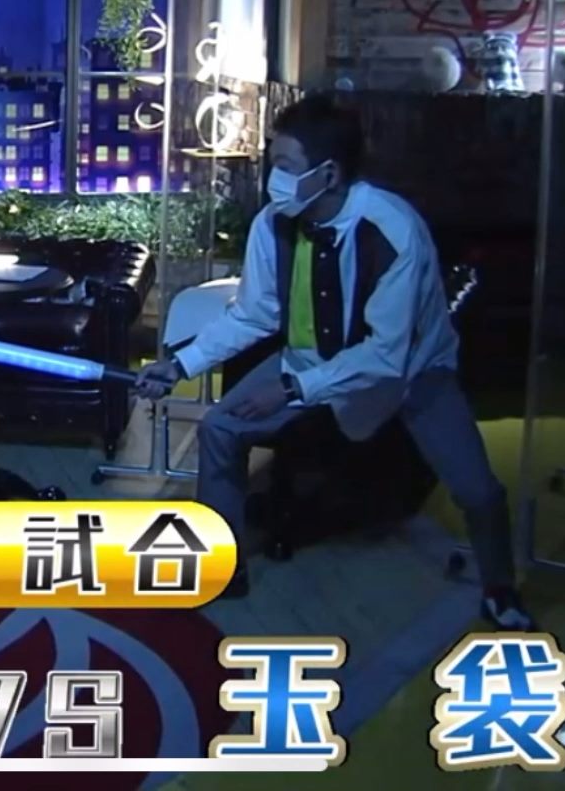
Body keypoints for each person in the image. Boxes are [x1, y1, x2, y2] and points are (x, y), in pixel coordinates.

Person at [133, 90, 532, 629]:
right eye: (272, 161)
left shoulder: (392, 231)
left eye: (284, 165)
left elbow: (385, 355)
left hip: (412, 373)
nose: (272, 177)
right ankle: (224, 564)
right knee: (220, 428)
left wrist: (290, 391)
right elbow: (253, 314)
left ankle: (501, 590)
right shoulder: (273, 224)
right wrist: (181, 365)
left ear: (328, 174)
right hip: (307, 360)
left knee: (478, 488)